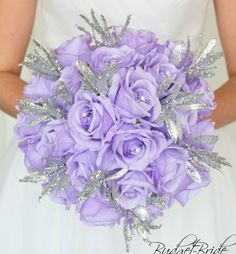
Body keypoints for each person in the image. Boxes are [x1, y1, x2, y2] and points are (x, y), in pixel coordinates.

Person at [0, 0, 236, 253]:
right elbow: (3, 72)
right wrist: (72, 127)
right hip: (66, 170)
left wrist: (171, 127)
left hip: (175, 171)